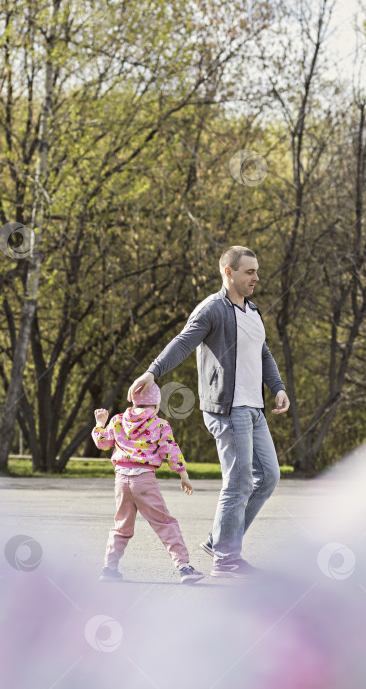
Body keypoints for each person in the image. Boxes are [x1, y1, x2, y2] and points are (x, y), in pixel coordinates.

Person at [127, 245, 290, 578]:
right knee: (239, 480)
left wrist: (278, 387)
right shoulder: (212, 310)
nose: (256, 277)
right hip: (228, 409)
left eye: (257, 271)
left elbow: (263, 354)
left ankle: (221, 541)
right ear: (228, 272)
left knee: (268, 477)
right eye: (250, 272)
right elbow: (184, 342)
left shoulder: (253, 311)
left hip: (254, 408)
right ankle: (226, 558)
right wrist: (152, 371)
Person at [92, 382, 204, 584]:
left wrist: (100, 423)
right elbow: (169, 449)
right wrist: (182, 473)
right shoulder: (159, 424)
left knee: (121, 526)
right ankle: (184, 568)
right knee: (164, 523)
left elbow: (102, 443)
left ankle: (109, 569)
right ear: (155, 405)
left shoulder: (117, 420)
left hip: (121, 480)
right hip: (144, 479)